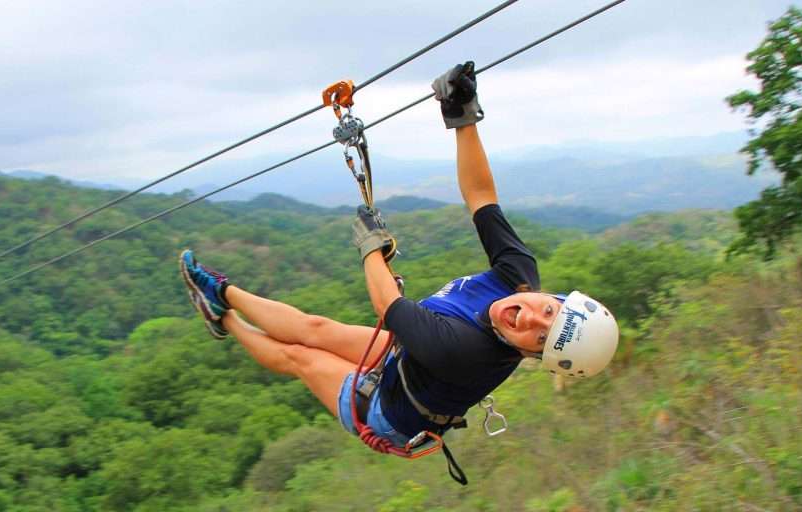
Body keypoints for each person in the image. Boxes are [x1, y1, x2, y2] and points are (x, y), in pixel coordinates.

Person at [178, 62, 619, 449]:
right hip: (407, 363)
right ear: (554, 296)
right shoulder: (517, 277)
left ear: (530, 356)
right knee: (313, 327)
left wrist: (371, 246)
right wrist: (462, 116)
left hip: (387, 415)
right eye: (549, 311)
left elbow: (387, 304)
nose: (530, 318)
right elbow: (482, 197)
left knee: (302, 358)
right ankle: (222, 291)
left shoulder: (464, 351)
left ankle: (222, 317)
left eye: (541, 339)